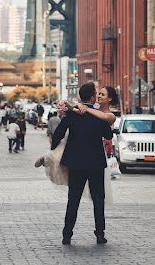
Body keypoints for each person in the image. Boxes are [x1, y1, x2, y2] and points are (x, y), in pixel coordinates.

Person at [50, 83, 113, 246]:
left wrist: (53, 147)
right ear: (92, 98)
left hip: (76, 163)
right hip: (95, 163)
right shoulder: (98, 115)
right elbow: (108, 135)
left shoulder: (72, 115)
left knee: (73, 199)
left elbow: (58, 133)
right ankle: (100, 234)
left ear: (80, 97)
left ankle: (67, 234)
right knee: (99, 199)